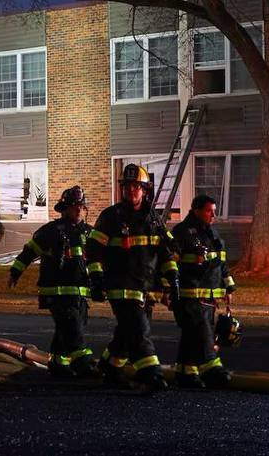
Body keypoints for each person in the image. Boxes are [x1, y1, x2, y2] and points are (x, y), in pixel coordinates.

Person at [86, 164, 179, 391]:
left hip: (146, 289)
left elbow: (165, 253)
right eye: (126, 186)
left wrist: (173, 278)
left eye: (136, 186)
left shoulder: (153, 219)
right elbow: (94, 250)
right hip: (121, 286)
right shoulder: (111, 217)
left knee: (128, 331)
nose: (130, 190)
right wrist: (97, 279)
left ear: (145, 190)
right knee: (139, 331)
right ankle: (151, 374)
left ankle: (111, 366)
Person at [9, 186, 95, 377]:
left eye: (82, 206)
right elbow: (29, 252)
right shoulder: (51, 231)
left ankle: (57, 362)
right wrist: (15, 271)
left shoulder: (89, 233)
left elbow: (98, 259)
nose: (79, 210)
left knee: (69, 327)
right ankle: (83, 363)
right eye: (75, 206)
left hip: (80, 292)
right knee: (74, 328)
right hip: (57, 293)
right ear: (65, 208)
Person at [168, 194, 235, 388]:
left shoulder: (212, 234)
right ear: (196, 210)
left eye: (214, 211)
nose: (213, 215)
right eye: (209, 210)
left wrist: (228, 286)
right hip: (189, 297)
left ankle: (185, 373)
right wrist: (168, 290)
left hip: (209, 298)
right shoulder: (181, 233)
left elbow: (221, 263)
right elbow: (170, 263)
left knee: (191, 335)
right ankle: (212, 368)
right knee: (203, 332)